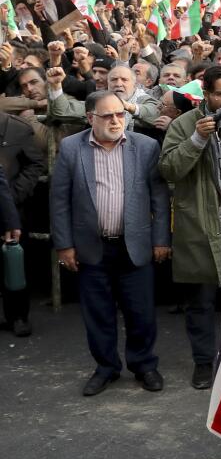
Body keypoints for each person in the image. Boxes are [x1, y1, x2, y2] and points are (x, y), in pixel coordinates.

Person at [50, 91, 171, 396]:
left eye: (120, 114)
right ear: (90, 118)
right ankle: (106, 368)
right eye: (108, 116)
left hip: (136, 245)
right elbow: (59, 200)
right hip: (91, 247)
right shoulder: (70, 148)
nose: (116, 121)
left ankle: (144, 365)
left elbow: (159, 197)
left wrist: (160, 240)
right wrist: (64, 246)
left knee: (141, 312)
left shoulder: (145, 147)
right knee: (98, 314)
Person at [159, 66, 221, 390]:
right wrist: (197, 138)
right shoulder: (184, 124)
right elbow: (169, 169)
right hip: (200, 225)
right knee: (200, 301)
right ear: (206, 93)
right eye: (220, 94)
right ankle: (203, 363)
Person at [0, 109, 47, 337]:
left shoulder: (16, 128)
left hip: (11, 207)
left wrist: (14, 194)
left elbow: (35, 164)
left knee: (14, 262)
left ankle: (18, 316)